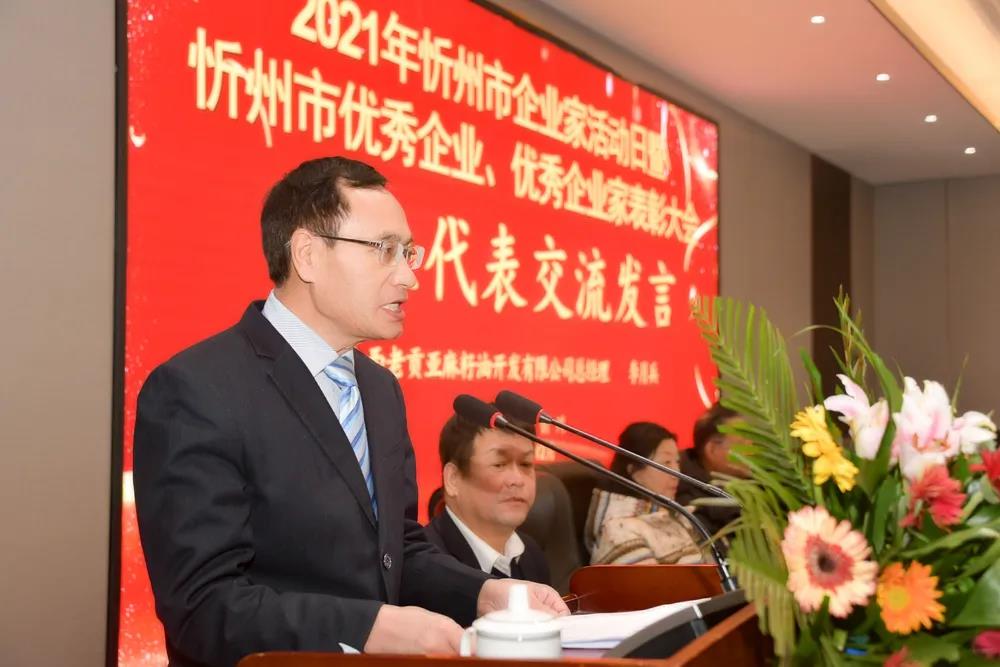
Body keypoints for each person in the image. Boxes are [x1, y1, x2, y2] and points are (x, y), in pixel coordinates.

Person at [133, 157, 566, 667]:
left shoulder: (380, 390)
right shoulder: (198, 389)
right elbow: (203, 608)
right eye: (385, 250)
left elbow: (397, 551)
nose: (409, 276)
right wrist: (368, 628)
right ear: (308, 256)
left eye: (409, 253)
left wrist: (482, 593)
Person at [424, 410, 550, 585]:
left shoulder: (531, 555)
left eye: (526, 464)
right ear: (453, 479)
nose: (518, 480)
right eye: (499, 464)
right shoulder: (424, 564)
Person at [585, 422, 703, 565]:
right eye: (666, 462)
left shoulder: (672, 514)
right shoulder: (620, 530)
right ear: (634, 471)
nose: (676, 473)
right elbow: (650, 580)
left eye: (677, 462)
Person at [675, 403, 749, 537]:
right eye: (743, 444)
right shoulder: (689, 505)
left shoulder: (759, 486)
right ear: (712, 450)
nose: (752, 451)